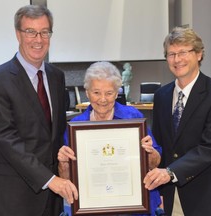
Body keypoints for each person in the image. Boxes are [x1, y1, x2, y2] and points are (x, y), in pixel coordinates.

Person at [0, 5, 78, 216]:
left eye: (45, 32)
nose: (38, 39)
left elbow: (57, 133)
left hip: (52, 199)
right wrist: (51, 180)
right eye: (30, 32)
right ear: (18, 34)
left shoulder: (56, 76)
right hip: (15, 196)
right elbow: (6, 140)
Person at [143, 27, 211, 216]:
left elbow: (210, 147)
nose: (177, 60)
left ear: (199, 54)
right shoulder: (161, 96)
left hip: (208, 196)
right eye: (171, 54)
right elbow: (161, 143)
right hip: (171, 194)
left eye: (183, 52)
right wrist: (152, 152)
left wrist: (169, 173)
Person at [58, 61, 162, 216]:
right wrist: (63, 162)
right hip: (93, 205)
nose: (103, 99)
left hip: (134, 205)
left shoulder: (133, 117)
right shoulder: (75, 126)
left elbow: (155, 163)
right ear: (87, 92)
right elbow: (67, 178)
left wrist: (150, 152)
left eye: (109, 93)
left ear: (117, 92)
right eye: (96, 92)